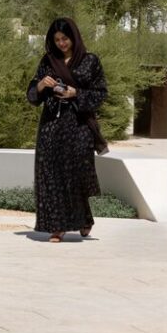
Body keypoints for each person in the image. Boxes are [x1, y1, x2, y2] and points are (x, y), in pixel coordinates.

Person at [27, 17, 108, 242]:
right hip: (51, 126)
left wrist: (76, 94)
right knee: (51, 174)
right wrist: (41, 85)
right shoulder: (48, 61)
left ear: (74, 37)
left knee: (76, 173)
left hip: (79, 126)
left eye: (65, 39)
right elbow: (33, 95)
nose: (62, 43)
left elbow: (101, 93)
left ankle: (84, 219)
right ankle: (57, 227)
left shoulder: (90, 61)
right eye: (57, 40)